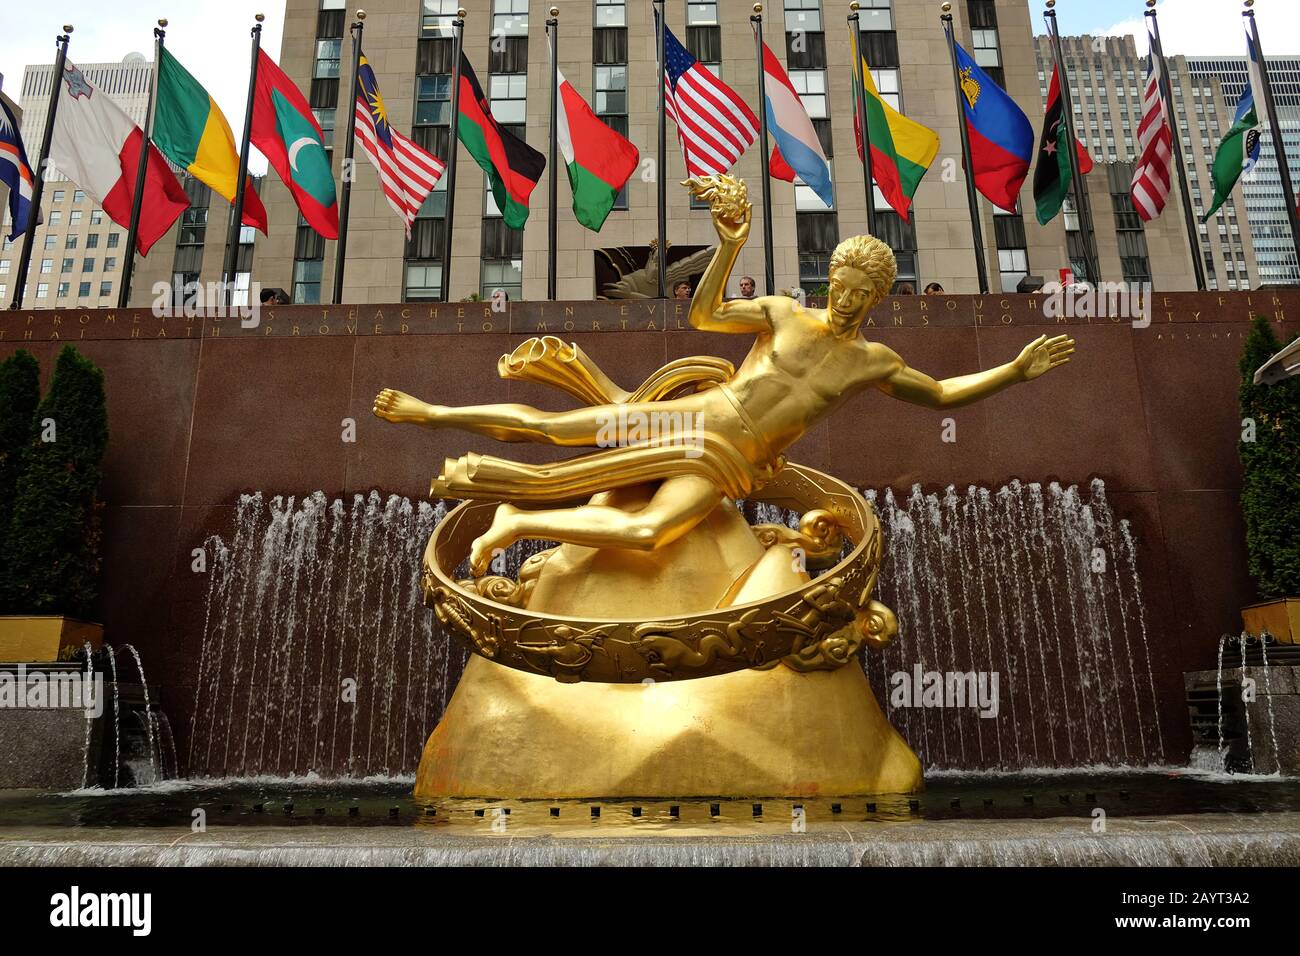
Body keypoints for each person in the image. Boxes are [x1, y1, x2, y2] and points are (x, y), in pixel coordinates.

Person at [374, 175, 1075, 572]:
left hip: (733, 465)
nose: (845, 296)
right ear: (828, 278)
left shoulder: (873, 362)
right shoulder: (782, 312)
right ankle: (432, 413)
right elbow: (705, 316)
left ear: (878, 299)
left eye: (860, 292)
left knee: (652, 533)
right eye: (839, 282)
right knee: (561, 431)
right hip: (699, 417)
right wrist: (728, 244)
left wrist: (1013, 370)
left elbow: (943, 393)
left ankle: (517, 520)